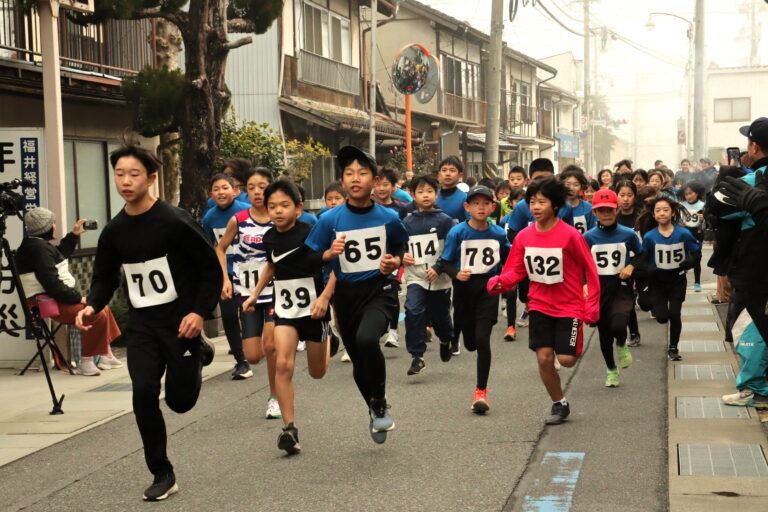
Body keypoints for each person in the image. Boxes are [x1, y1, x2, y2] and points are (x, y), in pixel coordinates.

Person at [75, 145, 220, 501]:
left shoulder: (175, 221)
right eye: (119, 174)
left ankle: (199, 353)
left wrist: (198, 313)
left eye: (134, 174)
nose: (125, 181)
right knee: (143, 393)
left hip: (181, 324)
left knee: (180, 403)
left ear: (151, 178)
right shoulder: (114, 231)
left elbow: (210, 270)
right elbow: (104, 277)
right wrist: (92, 306)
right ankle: (161, 472)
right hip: (143, 327)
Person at [305, 145, 409, 444]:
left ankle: (380, 401)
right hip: (346, 296)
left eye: (362, 173)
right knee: (358, 358)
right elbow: (309, 257)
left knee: (366, 340)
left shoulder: (388, 217)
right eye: (349, 173)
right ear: (342, 180)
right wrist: (328, 254)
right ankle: (373, 408)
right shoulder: (329, 220)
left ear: (375, 181)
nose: (355, 178)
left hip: (379, 290)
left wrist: (394, 261)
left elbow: (400, 245)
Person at [488, 177, 600, 425]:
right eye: (532, 202)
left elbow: (590, 269)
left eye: (542, 202)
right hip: (539, 304)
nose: (536, 207)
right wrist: (499, 282)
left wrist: (591, 303)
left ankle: (565, 349)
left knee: (567, 360)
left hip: (570, 305)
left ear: (555, 205)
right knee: (544, 358)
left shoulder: (571, 236)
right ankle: (559, 403)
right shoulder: (524, 237)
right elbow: (516, 270)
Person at [241, 180, 336, 455]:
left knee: (317, 373)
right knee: (282, 364)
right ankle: (289, 429)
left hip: (314, 309)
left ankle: (329, 338)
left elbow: (334, 268)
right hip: (285, 309)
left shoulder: (312, 233)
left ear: (298, 208)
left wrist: (325, 298)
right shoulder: (269, 238)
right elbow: (272, 266)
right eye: (272, 206)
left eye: (284, 205)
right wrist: (254, 294)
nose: (278, 211)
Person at [17, 209, 122, 376]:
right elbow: (52, 284)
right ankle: (86, 361)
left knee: (100, 306)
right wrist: (79, 298)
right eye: (53, 223)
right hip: (48, 302)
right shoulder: (40, 249)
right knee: (96, 313)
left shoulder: (34, 245)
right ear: (48, 227)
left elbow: (57, 256)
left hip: (50, 299)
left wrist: (73, 235)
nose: (55, 225)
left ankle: (105, 355)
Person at [435, 185, 510, 413]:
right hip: (464, 289)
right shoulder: (458, 232)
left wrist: (506, 278)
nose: (481, 207)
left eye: (486, 203)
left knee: (482, 340)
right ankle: (451, 338)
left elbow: (510, 257)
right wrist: (456, 273)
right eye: (476, 203)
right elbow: (445, 261)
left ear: (493, 207)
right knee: (470, 343)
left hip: (488, 289)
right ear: (467, 207)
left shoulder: (498, 233)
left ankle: (481, 392)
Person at [216, 167, 281, 419]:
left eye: (262, 187)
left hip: (274, 291)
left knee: (271, 345)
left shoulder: (278, 218)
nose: (257, 192)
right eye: (251, 187)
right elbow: (220, 248)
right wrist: (225, 279)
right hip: (246, 292)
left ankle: (275, 396)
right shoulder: (239, 220)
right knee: (253, 356)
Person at [584, 189, 643, 387]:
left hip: (621, 286)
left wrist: (631, 266)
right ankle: (611, 370)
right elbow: (581, 263)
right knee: (604, 335)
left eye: (610, 210)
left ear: (616, 210)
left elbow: (641, 254)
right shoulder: (588, 237)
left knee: (618, 324)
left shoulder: (628, 234)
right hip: (599, 289)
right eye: (601, 210)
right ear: (594, 212)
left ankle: (622, 341)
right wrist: (584, 283)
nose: (606, 214)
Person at [402, 174, 456, 373]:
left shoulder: (445, 221)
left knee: (440, 316)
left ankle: (446, 339)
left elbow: (452, 249)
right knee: (413, 310)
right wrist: (402, 256)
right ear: (413, 195)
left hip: (439, 278)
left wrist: (439, 268)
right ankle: (417, 356)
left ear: (436, 194)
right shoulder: (407, 222)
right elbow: (398, 246)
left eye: (430, 191)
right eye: (420, 191)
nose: (425, 195)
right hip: (416, 276)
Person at [636, 197, 701, 361]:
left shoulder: (683, 233)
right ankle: (649, 301)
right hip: (657, 282)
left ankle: (673, 347)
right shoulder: (650, 236)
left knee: (675, 313)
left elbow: (696, 252)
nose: (662, 213)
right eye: (658, 210)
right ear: (653, 214)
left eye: (665, 210)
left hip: (677, 280)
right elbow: (643, 258)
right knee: (662, 317)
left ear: (672, 213)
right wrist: (648, 270)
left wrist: (690, 261)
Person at [201, 173, 252, 379]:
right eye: (216, 189)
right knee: (229, 316)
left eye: (225, 187)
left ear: (235, 191)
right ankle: (241, 361)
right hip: (225, 274)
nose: (221, 192)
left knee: (248, 314)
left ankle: (253, 349)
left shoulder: (246, 211)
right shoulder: (209, 218)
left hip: (249, 271)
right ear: (211, 194)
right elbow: (210, 246)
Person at [373, 167, 407, 348]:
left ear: (394, 187)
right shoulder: (368, 208)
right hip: (373, 259)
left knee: (392, 291)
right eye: (378, 184)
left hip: (394, 256)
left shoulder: (400, 209)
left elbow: (406, 234)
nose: (381, 188)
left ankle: (393, 332)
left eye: (385, 184)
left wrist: (403, 255)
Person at [615, 180, 643, 347]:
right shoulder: (613, 217)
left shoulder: (642, 217)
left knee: (645, 303)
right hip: (620, 265)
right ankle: (633, 332)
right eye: (622, 195)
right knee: (627, 299)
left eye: (629, 195)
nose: (625, 199)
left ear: (635, 196)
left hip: (639, 261)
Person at [500, 187, 525, 342]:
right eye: (517, 200)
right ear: (510, 203)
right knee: (510, 292)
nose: (520, 203)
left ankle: (528, 310)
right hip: (511, 260)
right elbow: (501, 240)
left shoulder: (531, 219)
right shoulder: (505, 221)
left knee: (525, 295)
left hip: (527, 261)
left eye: (523, 200)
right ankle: (510, 327)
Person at [680, 182, 705, 292]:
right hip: (684, 233)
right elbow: (678, 219)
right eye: (686, 194)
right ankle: (681, 281)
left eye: (691, 193)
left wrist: (704, 218)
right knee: (683, 257)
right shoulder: (681, 205)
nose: (688, 196)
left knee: (697, 258)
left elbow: (707, 222)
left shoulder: (702, 205)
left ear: (697, 193)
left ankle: (697, 282)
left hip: (697, 233)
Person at [560, 168, 596, 234]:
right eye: (568, 184)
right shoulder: (557, 208)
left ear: (581, 187)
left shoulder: (589, 208)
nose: (571, 188)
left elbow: (593, 233)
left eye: (576, 185)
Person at [436, 156, 468, 222]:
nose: (447, 174)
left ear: (460, 175)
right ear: (439, 174)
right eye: (444, 170)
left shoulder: (465, 198)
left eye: (452, 170)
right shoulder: (432, 197)